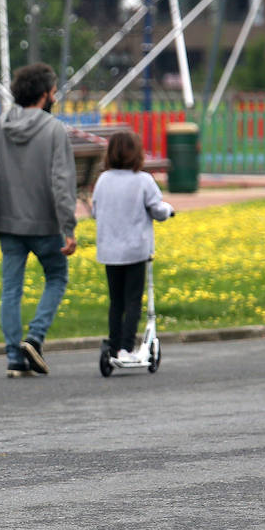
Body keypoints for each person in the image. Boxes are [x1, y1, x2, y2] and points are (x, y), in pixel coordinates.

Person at [0, 62, 77, 377]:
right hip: (46, 225)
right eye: (54, 91)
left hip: (7, 222)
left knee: (11, 288)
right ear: (44, 94)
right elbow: (62, 182)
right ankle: (35, 337)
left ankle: (14, 357)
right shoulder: (54, 129)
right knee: (57, 278)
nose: (55, 96)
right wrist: (69, 228)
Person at [91, 130, 173, 363]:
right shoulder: (143, 180)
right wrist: (168, 211)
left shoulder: (103, 180)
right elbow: (157, 210)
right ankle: (127, 348)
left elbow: (96, 210)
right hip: (136, 249)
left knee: (116, 300)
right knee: (133, 300)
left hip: (109, 250)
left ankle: (114, 346)